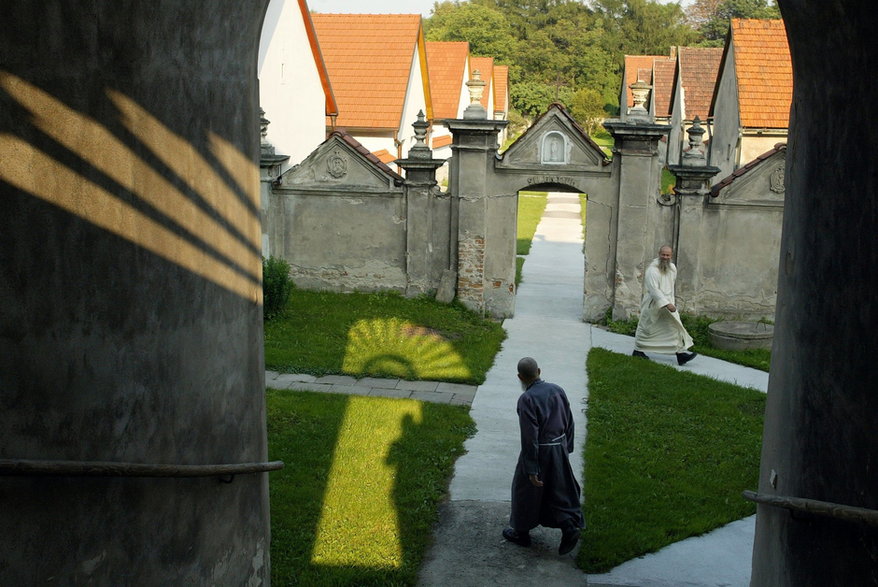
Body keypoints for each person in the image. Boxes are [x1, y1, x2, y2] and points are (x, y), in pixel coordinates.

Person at [502, 357, 584, 555]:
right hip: (559, 448)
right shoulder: (557, 390)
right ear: (539, 370)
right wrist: (567, 448)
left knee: (525, 490)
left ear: (520, 377)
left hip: (541, 452)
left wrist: (531, 468)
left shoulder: (527, 399)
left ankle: (521, 534)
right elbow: (569, 420)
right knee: (558, 489)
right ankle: (569, 527)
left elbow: (530, 437)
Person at [633, 245, 697, 365]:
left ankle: (680, 354)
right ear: (659, 254)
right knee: (647, 329)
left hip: (669, 303)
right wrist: (666, 304)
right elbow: (654, 290)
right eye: (663, 254)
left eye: (668, 255)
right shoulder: (652, 270)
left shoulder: (672, 268)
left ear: (671, 256)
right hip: (654, 304)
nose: (665, 257)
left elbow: (671, 287)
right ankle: (638, 350)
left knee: (674, 327)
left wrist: (671, 302)